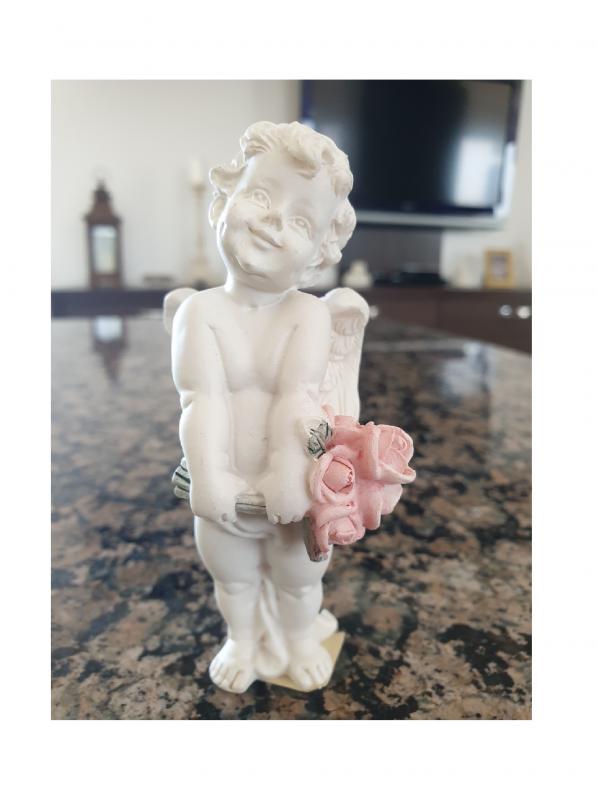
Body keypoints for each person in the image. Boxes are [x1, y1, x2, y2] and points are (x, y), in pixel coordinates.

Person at [167, 121, 357, 692]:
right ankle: (242, 640)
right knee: (232, 577)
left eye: (300, 221)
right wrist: (208, 476)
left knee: (300, 578)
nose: (274, 223)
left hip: (293, 491)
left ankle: (298, 638)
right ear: (223, 200)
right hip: (226, 488)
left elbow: (298, 398)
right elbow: (201, 398)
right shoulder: (199, 313)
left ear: (319, 254)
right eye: (260, 196)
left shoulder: (308, 315)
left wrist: (288, 475)